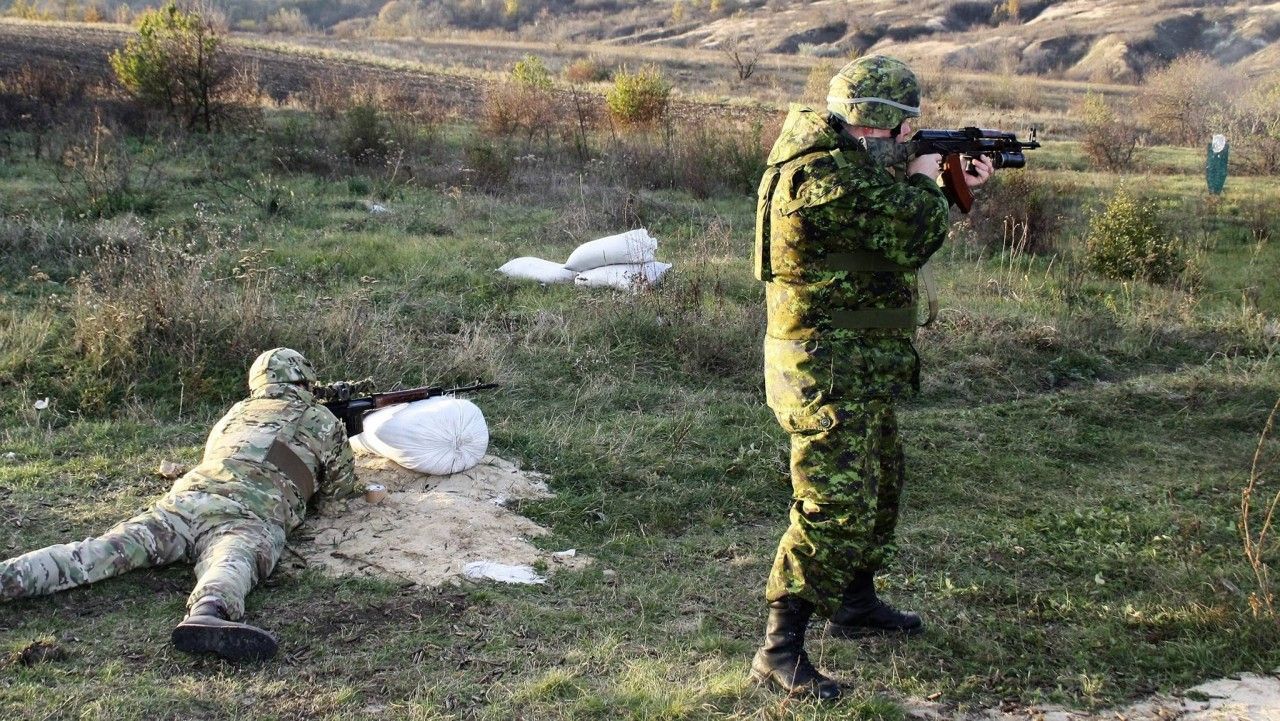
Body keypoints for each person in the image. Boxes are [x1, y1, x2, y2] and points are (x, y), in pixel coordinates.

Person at [749, 55, 993, 700]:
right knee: (835, 504)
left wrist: (945, 185)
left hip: (856, 362)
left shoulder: (842, 161)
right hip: (824, 368)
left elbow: (883, 243)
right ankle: (778, 650)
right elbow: (909, 231)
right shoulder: (821, 175)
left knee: (879, 487)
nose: (903, 143)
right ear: (874, 128)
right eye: (898, 134)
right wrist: (927, 183)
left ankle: (855, 601)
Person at [0, 348, 356, 662]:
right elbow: (339, 493)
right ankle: (208, 612)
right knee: (232, 561)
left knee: (97, 551)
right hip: (249, 513)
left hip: (186, 503)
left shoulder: (234, 413)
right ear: (306, 379)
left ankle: (9, 576)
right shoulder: (323, 420)